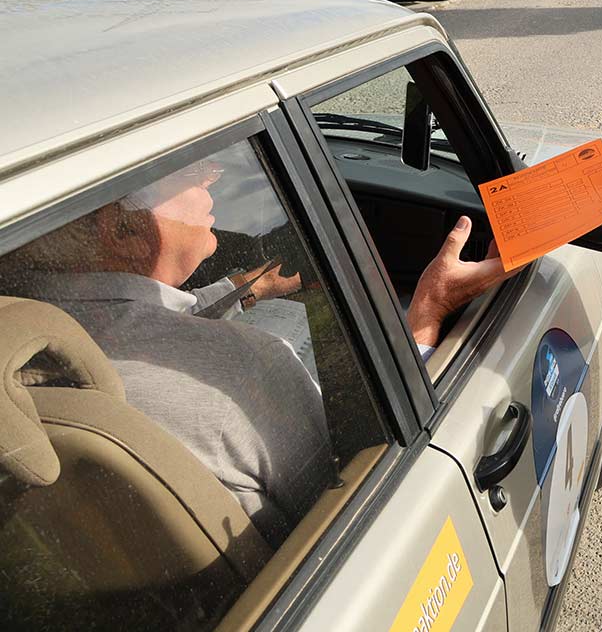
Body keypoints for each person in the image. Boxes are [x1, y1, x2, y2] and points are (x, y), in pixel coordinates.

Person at [4, 153, 514, 545]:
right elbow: (375, 481)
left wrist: (249, 287)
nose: (212, 174)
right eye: (182, 167)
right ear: (121, 228)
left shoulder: (31, 327)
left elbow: (149, 321)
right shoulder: (247, 369)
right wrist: (427, 313)